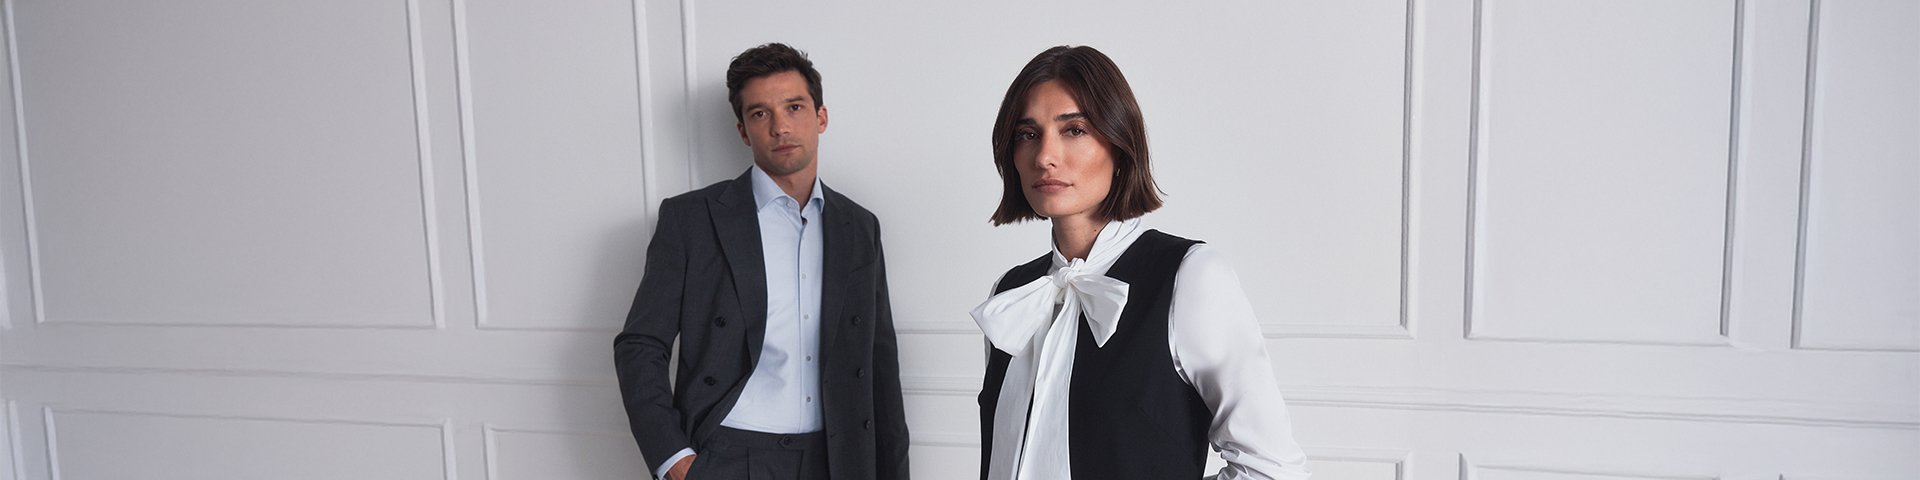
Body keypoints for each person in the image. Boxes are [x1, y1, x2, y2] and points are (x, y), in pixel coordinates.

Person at [970, 45, 1312, 480]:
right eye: (1027, 134)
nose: (1044, 156)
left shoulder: (1190, 276)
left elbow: (1273, 469)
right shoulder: (1010, 295)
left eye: (1074, 130)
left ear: (1120, 143)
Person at [615, 43, 909, 480]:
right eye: (760, 113)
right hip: (726, 454)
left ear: (821, 117)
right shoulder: (692, 219)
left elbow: (880, 362)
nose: (780, 127)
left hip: (838, 458)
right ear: (743, 130)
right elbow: (640, 345)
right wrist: (674, 459)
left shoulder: (859, 226)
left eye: (794, 107)